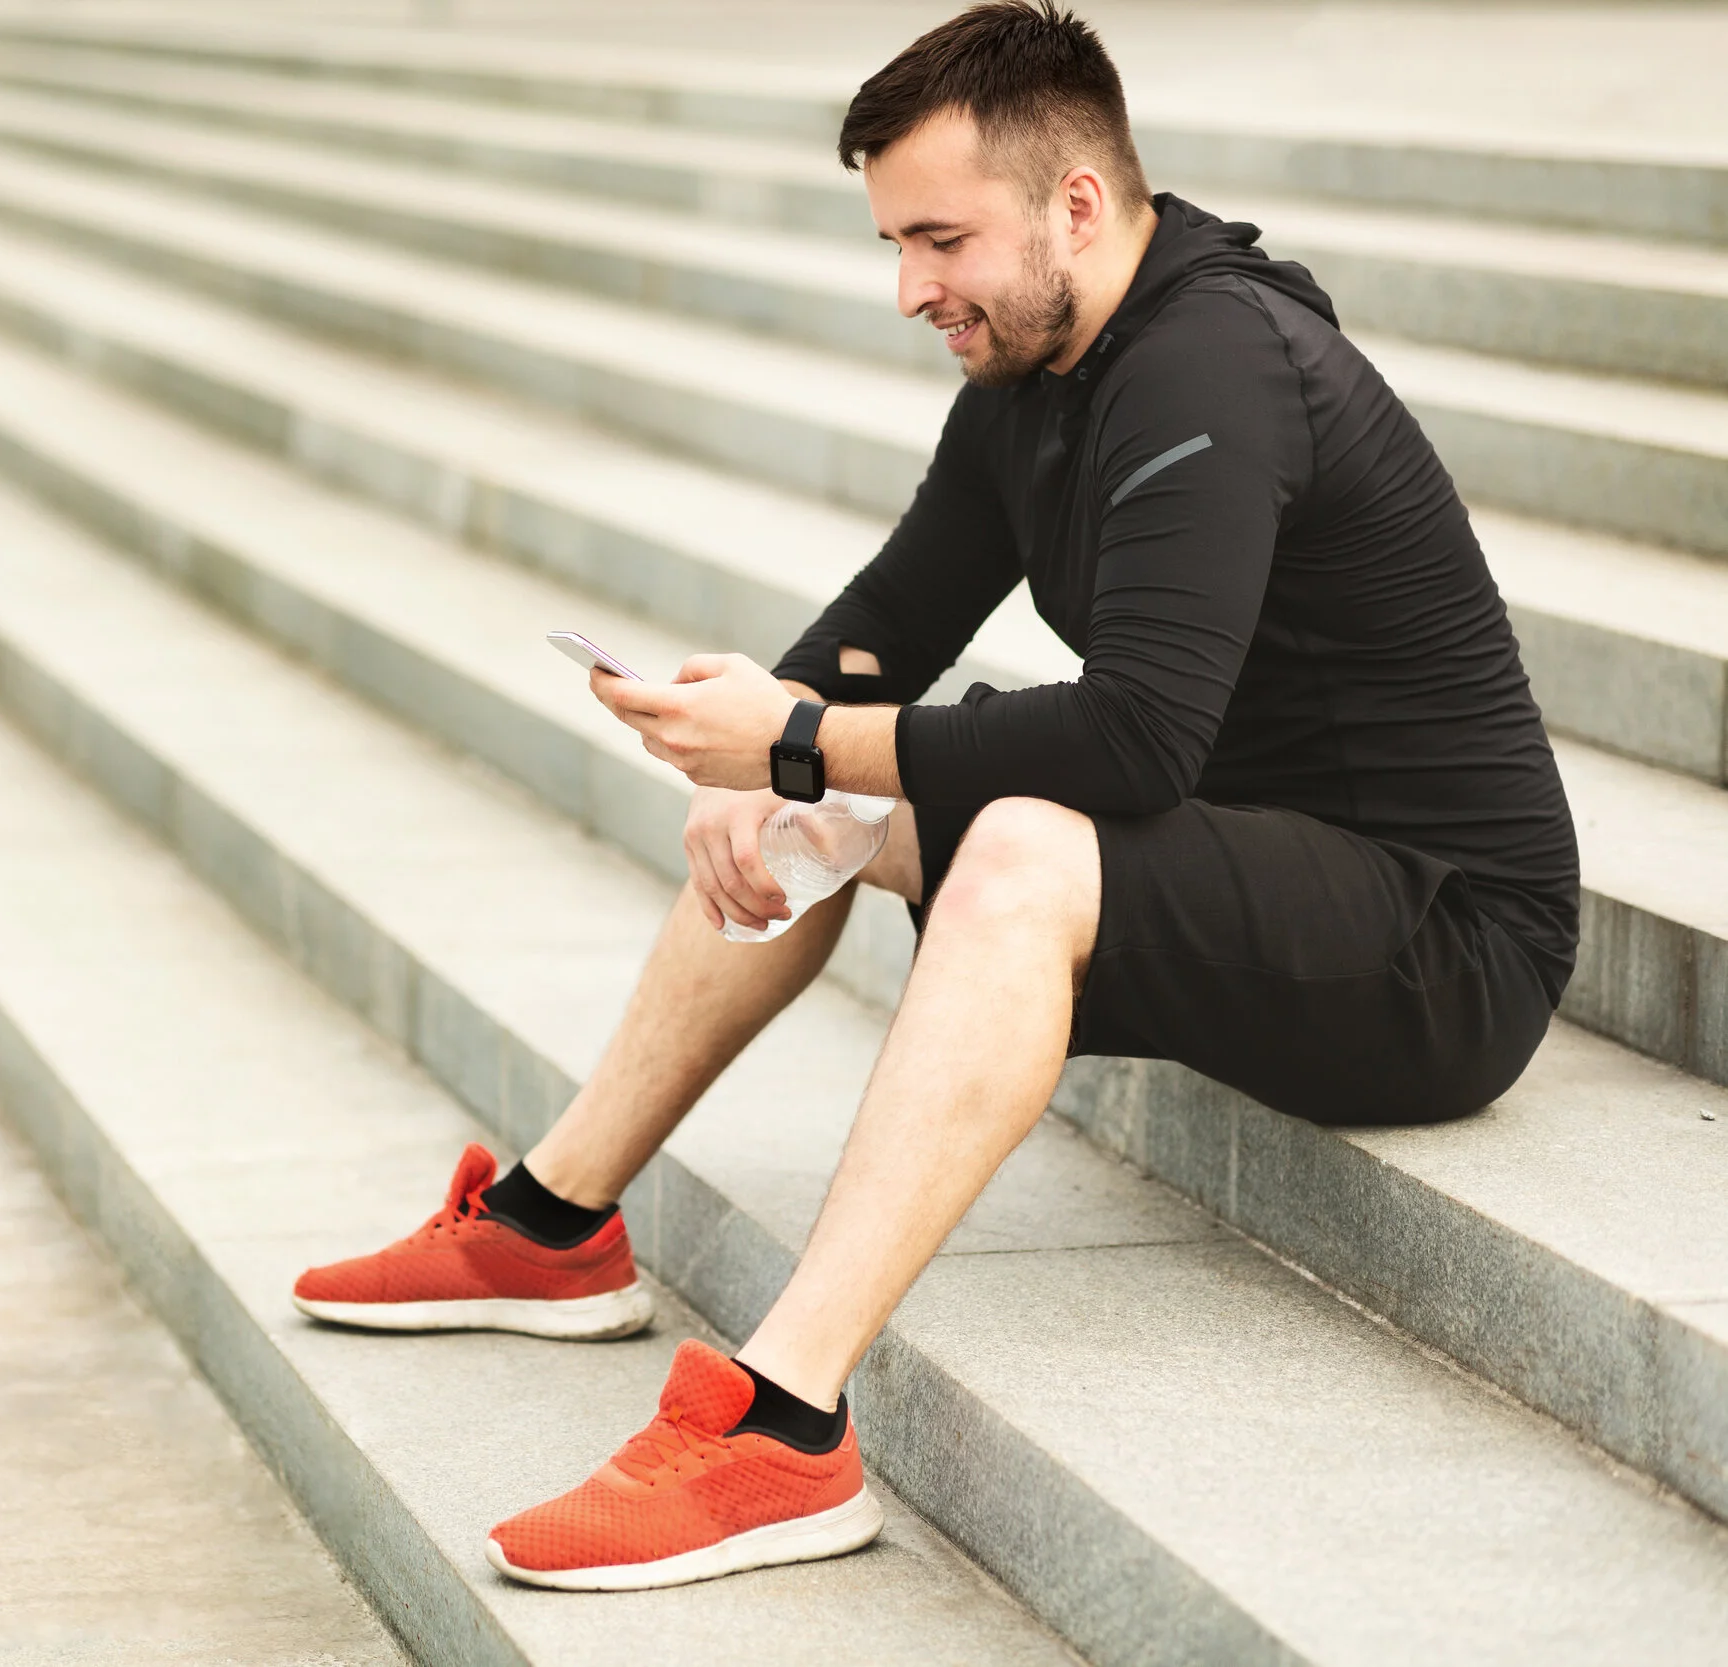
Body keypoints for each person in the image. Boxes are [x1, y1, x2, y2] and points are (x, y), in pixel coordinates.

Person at [291, 0, 1578, 1592]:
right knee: (831, 786)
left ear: (1079, 206)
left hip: (1443, 938)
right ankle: (554, 1224)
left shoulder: (1221, 364)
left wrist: (801, 741)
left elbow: (1138, 746)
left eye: (940, 239)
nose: (913, 289)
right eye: (896, 241)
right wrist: (755, 731)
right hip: (1264, 863)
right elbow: (890, 621)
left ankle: (782, 1425)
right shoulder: (1034, 366)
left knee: (1015, 830)